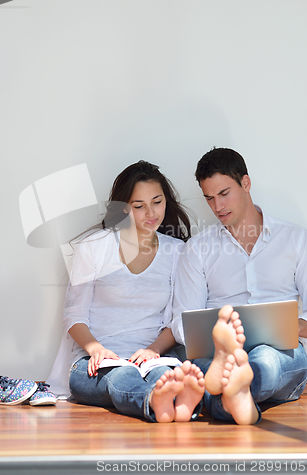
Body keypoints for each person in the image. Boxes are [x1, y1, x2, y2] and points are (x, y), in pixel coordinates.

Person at [47, 160, 207, 423]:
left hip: (152, 358)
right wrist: (96, 349)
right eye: (138, 206)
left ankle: (176, 404)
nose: (151, 213)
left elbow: (179, 318)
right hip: (95, 362)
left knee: (165, 376)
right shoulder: (94, 247)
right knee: (123, 376)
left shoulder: (177, 252)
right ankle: (155, 401)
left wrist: (154, 350)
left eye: (157, 202)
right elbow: (73, 315)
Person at [171, 147, 307, 424]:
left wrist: (296, 326)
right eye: (209, 198)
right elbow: (181, 320)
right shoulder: (198, 249)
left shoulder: (296, 239)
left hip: (280, 350)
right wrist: (218, 338)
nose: (217, 206)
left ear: (245, 183)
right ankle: (240, 394)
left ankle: (239, 386)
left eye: (224, 194)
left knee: (265, 361)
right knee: (210, 372)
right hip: (216, 351)